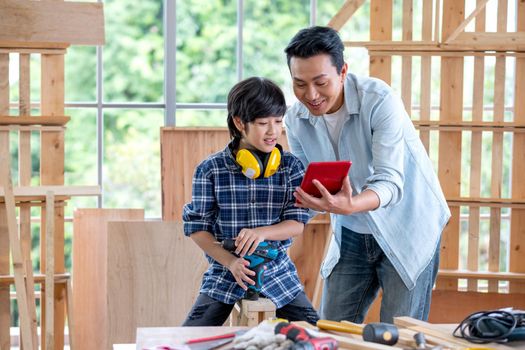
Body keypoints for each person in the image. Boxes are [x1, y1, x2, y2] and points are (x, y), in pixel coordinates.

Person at [283, 26, 451, 324]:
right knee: (331, 328)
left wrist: (350, 205)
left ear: (343, 71)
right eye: (299, 84)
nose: (311, 95)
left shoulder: (379, 100)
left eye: (320, 82)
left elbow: (390, 181)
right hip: (350, 231)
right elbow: (304, 183)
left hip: (407, 225)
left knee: (399, 334)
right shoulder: (296, 120)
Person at [182, 76, 320, 326]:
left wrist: (262, 233)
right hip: (225, 273)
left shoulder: (290, 167)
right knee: (188, 339)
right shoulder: (210, 170)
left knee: (317, 333)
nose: (273, 131)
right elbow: (197, 229)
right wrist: (231, 262)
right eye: (262, 123)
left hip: (278, 274)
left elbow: (297, 223)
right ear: (239, 122)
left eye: (278, 122)